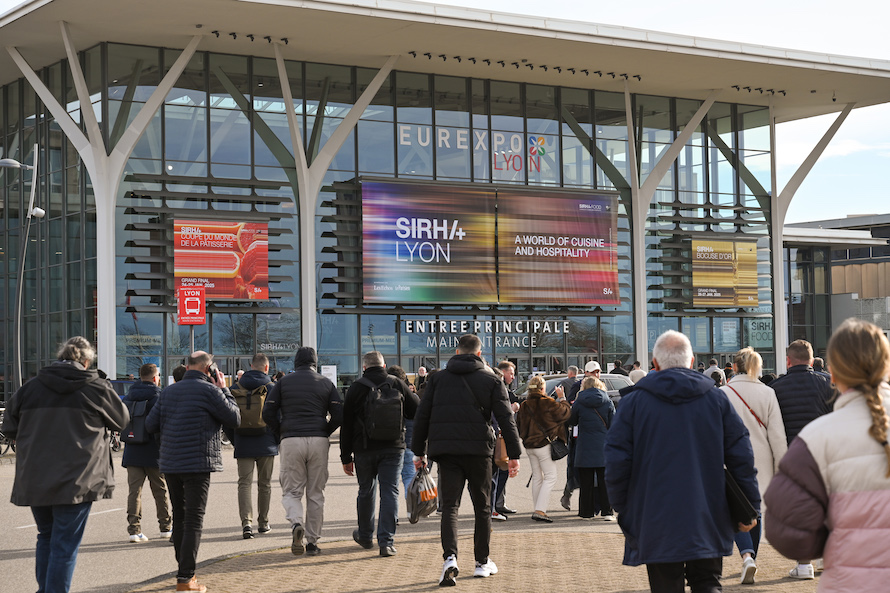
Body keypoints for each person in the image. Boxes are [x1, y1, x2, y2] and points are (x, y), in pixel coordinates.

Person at [605, 330, 759, 593]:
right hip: (708, 509)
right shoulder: (716, 399)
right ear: (691, 361)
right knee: (708, 581)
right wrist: (750, 505)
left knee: (665, 585)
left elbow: (617, 462)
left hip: (654, 512)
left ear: (655, 364)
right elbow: (741, 455)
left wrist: (624, 508)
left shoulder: (633, 403)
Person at [765, 318, 890, 592]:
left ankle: (807, 564)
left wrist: (829, 541)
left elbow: (784, 529)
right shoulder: (824, 405)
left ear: (834, 373)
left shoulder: (816, 438)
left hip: (849, 581)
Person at [2, 336, 129, 593]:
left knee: (46, 537)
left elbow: (9, 427)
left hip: (36, 476)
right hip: (79, 478)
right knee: (64, 544)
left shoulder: (31, 387)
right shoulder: (97, 387)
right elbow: (122, 421)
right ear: (86, 361)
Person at [412, 333, 522, 586]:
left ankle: (450, 558)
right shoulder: (492, 380)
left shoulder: (437, 379)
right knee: (482, 507)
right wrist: (514, 455)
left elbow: (422, 417)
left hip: (446, 451)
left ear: (458, 352)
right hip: (479, 451)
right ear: (480, 354)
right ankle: (482, 562)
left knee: (450, 507)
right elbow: (506, 418)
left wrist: (419, 452)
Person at [145, 351, 240, 593]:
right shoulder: (211, 391)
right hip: (198, 463)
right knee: (194, 520)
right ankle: (186, 578)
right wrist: (225, 389)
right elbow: (234, 418)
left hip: (171, 462)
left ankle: (184, 573)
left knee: (180, 517)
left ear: (187, 367)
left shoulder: (168, 392)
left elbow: (150, 425)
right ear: (209, 370)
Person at [262, 346, 342, 557]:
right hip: (318, 440)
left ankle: (297, 523)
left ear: (296, 362)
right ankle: (313, 542)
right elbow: (339, 413)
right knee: (316, 493)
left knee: (292, 491)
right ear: (315, 362)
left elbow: (268, 411)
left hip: (291, 439)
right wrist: (325, 430)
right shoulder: (326, 383)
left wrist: (280, 431)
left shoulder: (283, 382)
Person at [720, 347, 787, 584]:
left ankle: (746, 554)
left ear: (735, 366)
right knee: (754, 509)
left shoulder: (723, 392)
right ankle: (752, 557)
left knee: (735, 506)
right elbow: (777, 435)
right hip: (761, 459)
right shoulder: (767, 393)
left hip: (729, 458)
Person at [341, 352, 419, 557]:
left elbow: (346, 425)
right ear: (384, 365)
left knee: (366, 490)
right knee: (390, 491)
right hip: (393, 448)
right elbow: (416, 410)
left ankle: (366, 536)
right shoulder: (396, 383)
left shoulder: (356, 387)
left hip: (364, 448)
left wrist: (345, 457)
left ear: (364, 367)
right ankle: (386, 542)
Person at [768, 339, 833, 580]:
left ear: (788, 360)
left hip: (794, 456)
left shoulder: (776, 388)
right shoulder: (827, 383)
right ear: (812, 358)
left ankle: (804, 564)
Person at [225, 353, 278, 540]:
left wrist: (235, 439)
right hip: (267, 443)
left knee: (244, 484)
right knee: (265, 484)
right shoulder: (272, 388)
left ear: (250, 365)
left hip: (243, 442)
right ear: (266, 367)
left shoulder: (234, 387)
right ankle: (263, 523)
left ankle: (246, 523)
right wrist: (276, 440)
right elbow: (278, 417)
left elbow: (227, 419)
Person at [122, 363, 172, 543]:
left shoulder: (128, 397)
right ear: (155, 378)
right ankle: (165, 527)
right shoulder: (160, 397)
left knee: (134, 492)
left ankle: (134, 530)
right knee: (160, 490)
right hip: (155, 451)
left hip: (132, 450)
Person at [516, 375, 571, 523]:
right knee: (551, 476)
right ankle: (540, 510)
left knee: (537, 477)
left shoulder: (524, 405)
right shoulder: (547, 403)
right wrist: (562, 397)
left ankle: (538, 509)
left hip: (529, 446)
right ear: (542, 388)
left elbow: (518, 424)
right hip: (544, 445)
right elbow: (565, 413)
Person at [569, 375, 615, 520]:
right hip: (603, 445)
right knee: (605, 481)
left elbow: (572, 421)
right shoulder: (607, 401)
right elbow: (614, 424)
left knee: (586, 481)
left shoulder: (579, 402)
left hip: (584, 444)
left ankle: (586, 512)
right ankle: (607, 512)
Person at [563, 360, 603, 510]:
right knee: (577, 468)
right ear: (586, 373)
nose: (596, 375)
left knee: (596, 472)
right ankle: (569, 492)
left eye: (598, 372)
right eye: (593, 372)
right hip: (579, 434)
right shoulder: (577, 386)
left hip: (597, 436)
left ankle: (596, 504)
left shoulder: (602, 387)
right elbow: (571, 410)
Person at [491, 360, 521, 520]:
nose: (513, 376)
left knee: (499, 474)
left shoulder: (506, 391)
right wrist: (513, 408)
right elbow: (501, 416)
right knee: (496, 475)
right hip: (496, 438)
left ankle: (498, 504)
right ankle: (493, 507)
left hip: (497, 437)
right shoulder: (496, 392)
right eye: (510, 373)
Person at [386, 365, 418, 510]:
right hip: (410, 443)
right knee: (409, 478)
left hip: (391, 444)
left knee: (390, 483)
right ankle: (412, 508)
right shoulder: (413, 398)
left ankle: (392, 514)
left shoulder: (383, 396)